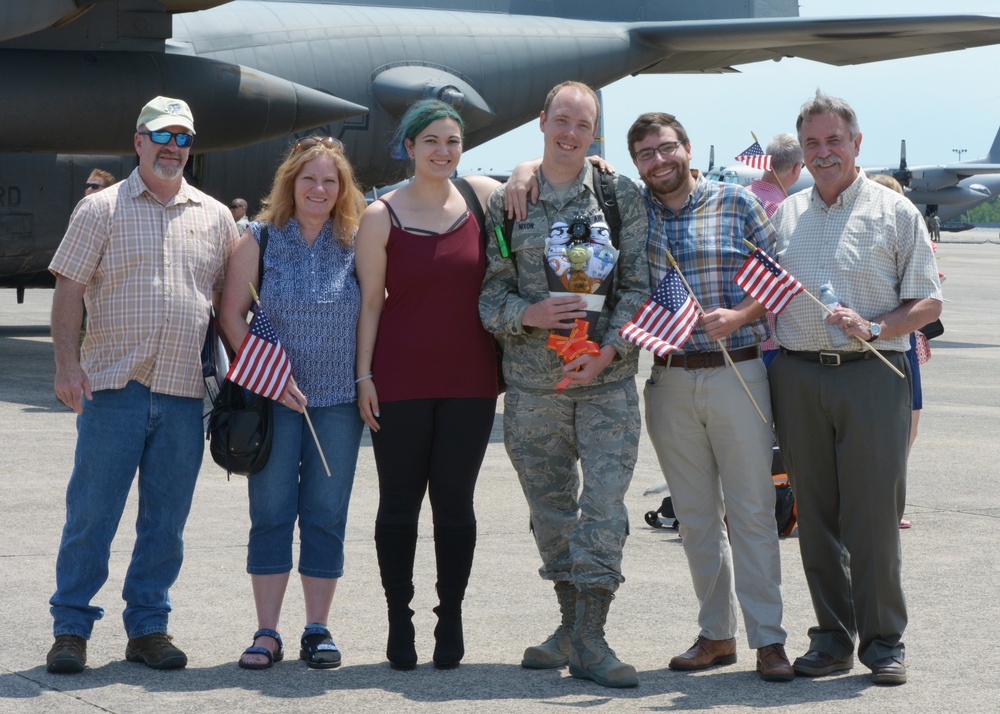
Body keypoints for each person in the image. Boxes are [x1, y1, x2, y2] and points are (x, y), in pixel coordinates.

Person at [45, 96, 237, 673]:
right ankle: (71, 629)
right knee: (91, 516)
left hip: (182, 395)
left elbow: (231, 306)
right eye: (162, 136)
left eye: (183, 138)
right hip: (112, 390)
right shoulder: (100, 209)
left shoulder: (215, 216)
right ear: (137, 141)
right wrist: (64, 365)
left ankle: (148, 627)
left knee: (166, 524)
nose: (173, 147)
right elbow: (69, 292)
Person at [768, 90, 942, 686]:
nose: (823, 152)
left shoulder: (896, 213)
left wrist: (875, 326)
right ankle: (832, 639)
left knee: (872, 516)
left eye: (833, 141)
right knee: (813, 516)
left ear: (856, 143)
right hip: (796, 373)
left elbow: (929, 299)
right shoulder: (786, 216)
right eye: (812, 143)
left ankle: (884, 639)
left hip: (872, 372)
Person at [479, 81, 650, 689]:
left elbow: (639, 287)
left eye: (584, 124)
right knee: (550, 512)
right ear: (542, 121)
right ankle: (570, 624)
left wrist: (609, 351)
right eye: (563, 120)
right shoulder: (509, 201)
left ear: (593, 133)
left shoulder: (616, 194)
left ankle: (593, 638)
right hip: (534, 387)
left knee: (602, 508)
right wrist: (525, 314)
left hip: (606, 383)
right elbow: (490, 291)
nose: (571, 133)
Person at [626, 112, 792, 682]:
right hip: (669, 377)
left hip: (737, 372)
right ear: (637, 165)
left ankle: (769, 640)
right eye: (645, 154)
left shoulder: (736, 203)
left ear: (688, 149)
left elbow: (776, 280)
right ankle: (717, 636)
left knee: (751, 511)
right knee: (695, 519)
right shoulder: (634, 213)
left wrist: (741, 314)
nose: (658, 160)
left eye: (666, 148)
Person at [355, 99, 500, 670]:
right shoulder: (380, 215)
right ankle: (399, 616)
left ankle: (451, 616)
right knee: (398, 505)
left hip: (471, 380)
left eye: (453, 141)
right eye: (432, 141)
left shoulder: (481, 197)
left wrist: (600, 166)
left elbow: (543, 177)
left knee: (455, 507)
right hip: (399, 378)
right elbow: (370, 304)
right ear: (409, 147)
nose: (444, 151)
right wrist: (364, 374)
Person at [219, 136, 367, 670]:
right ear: (291, 183)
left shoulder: (357, 239)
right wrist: (267, 374)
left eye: (330, 180)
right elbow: (231, 314)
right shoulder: (257, 238)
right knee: (271, 513)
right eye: (309, 179)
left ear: (342, 188)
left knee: (326, 514)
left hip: (338, 406)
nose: (319, 188)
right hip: (272, 402)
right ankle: (266, 633)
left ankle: (317, 628)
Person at [747, 133, 803, 368]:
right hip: (771, 335)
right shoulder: (785, 210)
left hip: (732, 332)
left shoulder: (735, 196)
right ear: (797, 168)